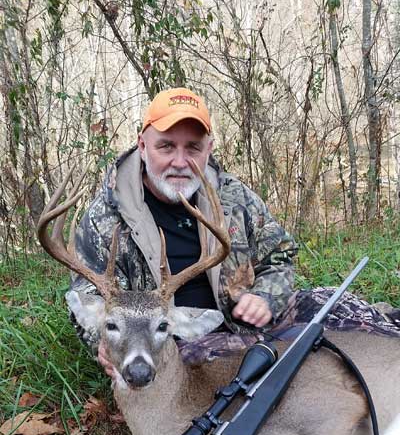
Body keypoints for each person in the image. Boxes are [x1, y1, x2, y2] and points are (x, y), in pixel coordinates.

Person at [70, 87, 298, 375]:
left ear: (208, 149)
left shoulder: (235, 199)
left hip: (248, 327)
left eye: (192, 148)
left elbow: (280, 257)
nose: (180, 162)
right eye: (165, 146)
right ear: (142, 146)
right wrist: (102, 343)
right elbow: (87, 297)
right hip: (167, 347)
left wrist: (265, 296)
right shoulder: (105, 218)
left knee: (337, 311)